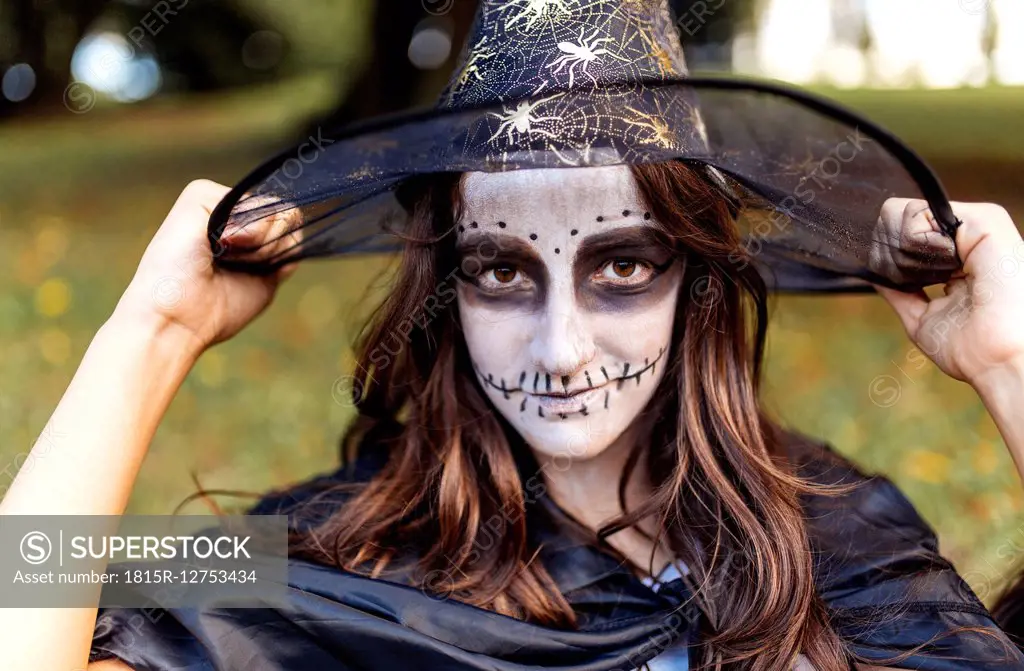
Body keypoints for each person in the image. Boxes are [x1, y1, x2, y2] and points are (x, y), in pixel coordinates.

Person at [5, 1, 1024, 669]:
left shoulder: (837, 536)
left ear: (695, 280)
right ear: (445, 281)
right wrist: (150, 332)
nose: (561, 349)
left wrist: (1011, 361)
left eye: (621, 265)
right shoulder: (334, 541)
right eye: (500, 270)